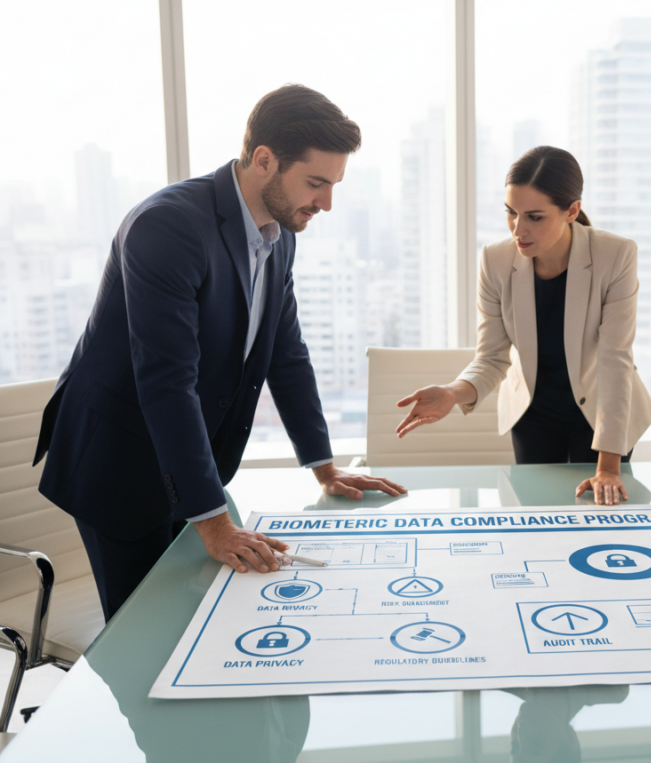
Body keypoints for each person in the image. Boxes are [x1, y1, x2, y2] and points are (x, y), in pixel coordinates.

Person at [33, 84, 405, 622]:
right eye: (316, 183)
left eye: (334, 185)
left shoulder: (281, 233)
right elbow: (166, 381)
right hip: (121, 463)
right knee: (147, 636)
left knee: (201, 626)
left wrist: (324, 467)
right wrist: (213, 522)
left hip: (187, 461)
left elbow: (287, 354)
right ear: (264, 160)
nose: (326, 203)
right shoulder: (168, 226)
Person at [395, 146, 651, 506]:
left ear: (572, 211)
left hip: (601, 409)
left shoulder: (615, 255)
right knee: (537, 519)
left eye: (534, 216)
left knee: (600, 521)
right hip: (533, 413)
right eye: (511, 213)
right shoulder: (496, 260)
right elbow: (491, 358)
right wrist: (454, 392)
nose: (519, 229)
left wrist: (608, 466)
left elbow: (615, 359)